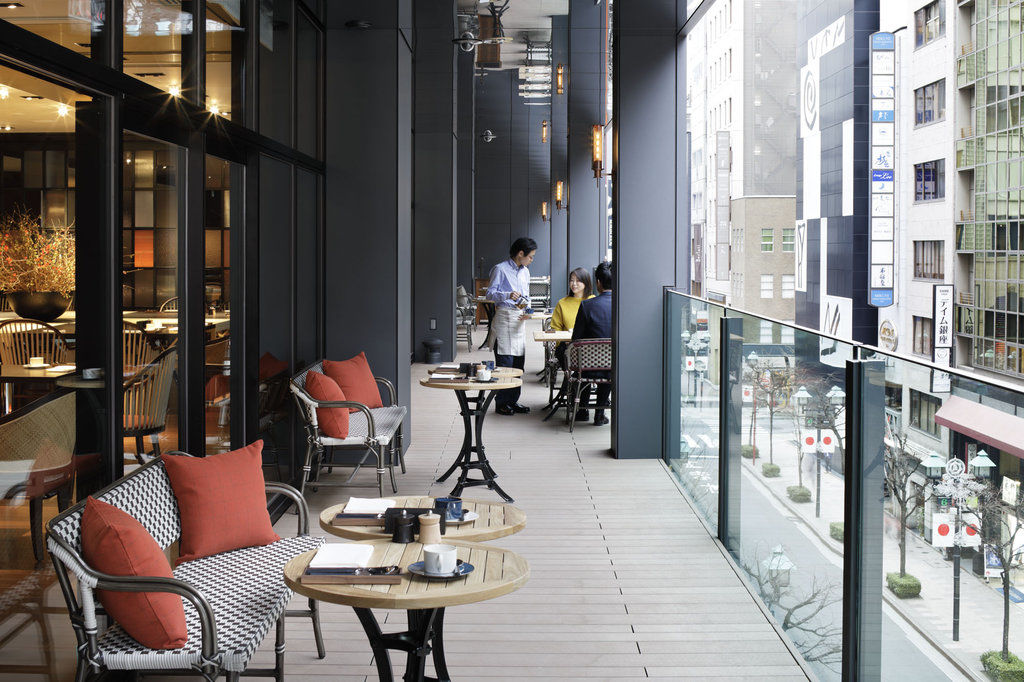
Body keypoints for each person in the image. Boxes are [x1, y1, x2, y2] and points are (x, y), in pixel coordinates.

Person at [486, 237, 537, 415]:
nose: (531, 260)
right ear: (520, 253)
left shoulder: (526, 272)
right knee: (505, 363)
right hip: (504, 317)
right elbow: (489, 295)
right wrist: (508, 295)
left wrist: (529, 311)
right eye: (530, 256)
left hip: (519, 321)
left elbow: (527, 296)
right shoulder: (500, 269)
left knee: (518, 364)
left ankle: (513, 401)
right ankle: (501, 403)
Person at [571, 261, 613, 426]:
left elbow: (576, 339)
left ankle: (582, 410)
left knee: (585, 363)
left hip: (587, 368)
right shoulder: (623, 306)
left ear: (598, 283)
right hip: (613, 368)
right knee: (607, 363)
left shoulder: (587, 305)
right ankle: (599, 414)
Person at [550, 267, 594, 369]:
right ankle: (574, 381)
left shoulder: (593, 301)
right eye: (571, 280)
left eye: (578, 281)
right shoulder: (562, 303)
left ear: (586, 282)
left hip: (590, 346)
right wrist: (562, 340)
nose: (574, 284)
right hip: (568, 346)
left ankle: (572, 383)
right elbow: (555, 328)